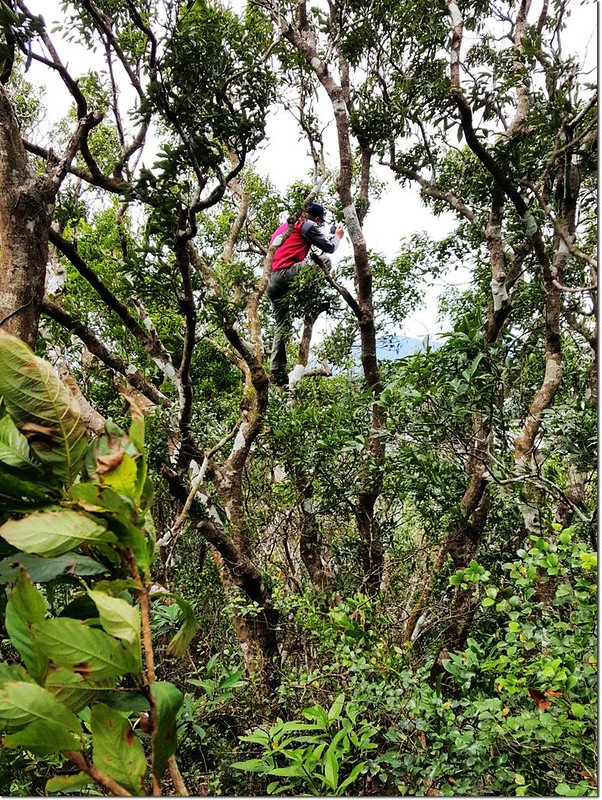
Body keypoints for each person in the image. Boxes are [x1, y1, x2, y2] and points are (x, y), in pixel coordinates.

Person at [266, 202, 344, 386]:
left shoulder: (287, 225)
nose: (319, 226)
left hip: (270, 281)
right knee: (324, 261)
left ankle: (276, 372)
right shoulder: (307, 224)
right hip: (284, 274)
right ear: (316, 219)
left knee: (282, 326)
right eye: (320, 223)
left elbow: (314, 244)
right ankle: (312, 300)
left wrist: (330, 235)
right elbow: (329, 248)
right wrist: (338, 237)